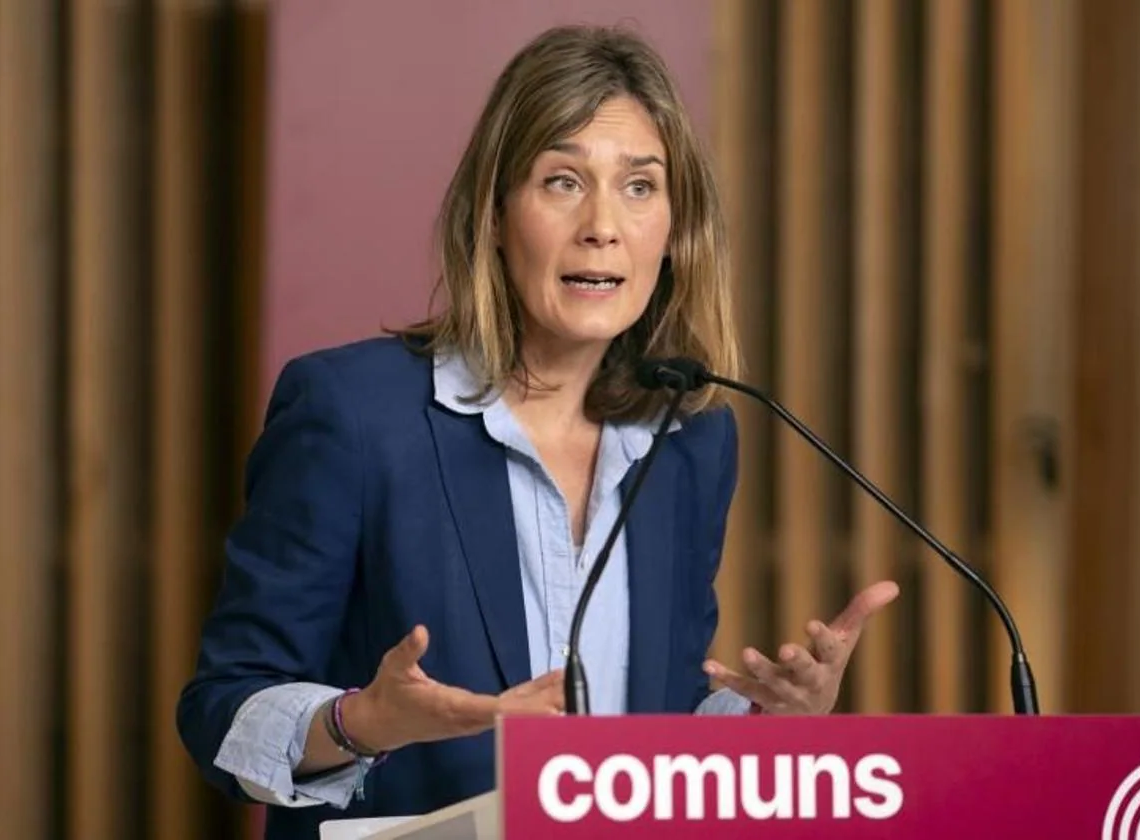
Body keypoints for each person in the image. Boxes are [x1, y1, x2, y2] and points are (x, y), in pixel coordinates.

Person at [176, 23, 898, 839]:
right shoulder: (352, 412)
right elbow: (221, 712)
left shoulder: (689, 437)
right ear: (493, 213)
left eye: (639, 187)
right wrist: (363, 722)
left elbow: (652, 721)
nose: (602, 225)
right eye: (561, 181)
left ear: (674, 231)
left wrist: (771, 725)